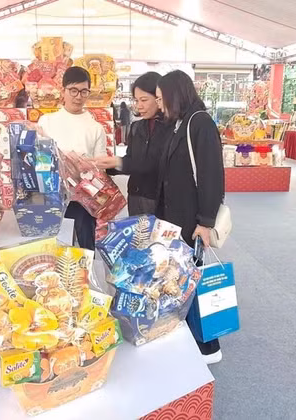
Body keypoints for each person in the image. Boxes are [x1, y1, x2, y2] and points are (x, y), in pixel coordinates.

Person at [155, 70, 225, 364]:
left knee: (194, 282)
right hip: (176, 218)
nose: (159, 105)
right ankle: (189, 338)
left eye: (161, 99)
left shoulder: (200, 123)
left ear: (174, 95)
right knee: (182, 279)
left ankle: (209, 346)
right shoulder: (179, 123)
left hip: (192, 220)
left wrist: (206, 222)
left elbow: (211, 176)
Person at [38, 66, 107, 250]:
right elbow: (39, 159)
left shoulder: (96, 128)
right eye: (73, 90)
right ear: (63, 91)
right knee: (54, 249)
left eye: (83, 91)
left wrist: (86, 166)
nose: (78, 96)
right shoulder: (47, 121)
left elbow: (101, 168)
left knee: (85, 250)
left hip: (84, 198)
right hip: (52, 196)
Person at [93, 72, 173, 216]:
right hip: (136, 196)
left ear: (160, 98)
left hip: (160, 199)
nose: (139, 106)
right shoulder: (137, 127)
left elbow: (157, 163)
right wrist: (108, 166)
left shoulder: (172, 128)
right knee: (137, 237)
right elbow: (131, 160)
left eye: (144, 100)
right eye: (136, 101)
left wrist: (119, 162)